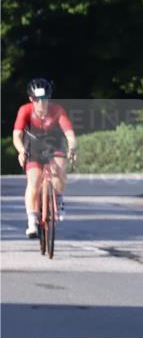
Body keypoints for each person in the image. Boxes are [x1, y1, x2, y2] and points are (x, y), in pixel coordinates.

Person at [12, 78, 77, 238]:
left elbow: (69, 132)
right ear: (31, 99)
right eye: (37, 100)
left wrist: (72, 147)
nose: (41, 103)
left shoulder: (57, 110)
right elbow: (17, 135)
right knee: (33, 181)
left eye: (45, 99)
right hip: (33, 146)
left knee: (60, 169)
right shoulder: (25, 110)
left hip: (54, 145)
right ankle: (32, 220)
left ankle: (58, 197)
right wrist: (21, 150)